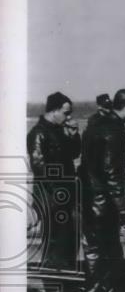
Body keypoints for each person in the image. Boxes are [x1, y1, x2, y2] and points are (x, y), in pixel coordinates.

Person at [79, 88, 125, 292]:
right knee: (111, 250)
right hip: (103, 201)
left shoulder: (93, 126)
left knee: (93, 250)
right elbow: (113, 174)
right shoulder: (114, 131)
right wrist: (123, 209)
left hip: (88, 198)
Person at [27, 92, 81, 269]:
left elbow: (74, 154)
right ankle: (54, 279)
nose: (69, 116)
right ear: (54, 111)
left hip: (62, 192)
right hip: (50, 195)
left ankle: (65, 278)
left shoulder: (59, 132)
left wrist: (74, 134)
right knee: (55, 238)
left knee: (68, 237)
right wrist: (56, 191)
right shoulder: (38, 133)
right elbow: (39, 166)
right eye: (66, 112)